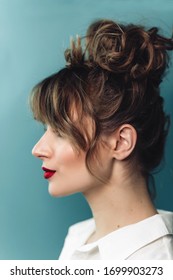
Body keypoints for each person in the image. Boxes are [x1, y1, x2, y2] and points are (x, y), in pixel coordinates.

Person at [30, 19, 173, 260]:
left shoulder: (158, 261)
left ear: (120, 142)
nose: (38, 149)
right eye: (46, 129)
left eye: (62, 131)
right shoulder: (78, 237)